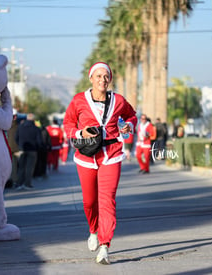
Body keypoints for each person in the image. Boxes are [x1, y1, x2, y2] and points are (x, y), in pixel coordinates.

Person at [63, 62, 137, 265]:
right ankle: (93, 230)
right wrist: (80, 133)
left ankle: (105, 246)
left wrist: (127, 126)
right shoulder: (79, 100)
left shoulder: (119, 100)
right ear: (91, 78)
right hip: (86, 156)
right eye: (98, 76)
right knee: (89, 202)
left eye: (106, 76)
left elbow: (131, 116)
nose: (102, 80)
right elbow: (68, 123)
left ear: (110, 79)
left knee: (107, 200)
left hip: (111, 154)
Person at [15, 113, 43, 190]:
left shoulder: (20, 127)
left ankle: (19, 183)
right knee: (29, 167)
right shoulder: (36, 128)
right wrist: (38, 148)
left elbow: (16, 138)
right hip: (32, 150)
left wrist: (20, 146)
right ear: (34, 119)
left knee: (21, 167)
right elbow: (39, 141)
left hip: (22, 149)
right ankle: (27, 183)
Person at [6, 108, 19, 188]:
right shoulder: (17, 126)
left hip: (5, 148)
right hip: (15, 149)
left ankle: (7, 181)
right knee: (14, 167)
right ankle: (14, 181)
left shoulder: (3, 125)